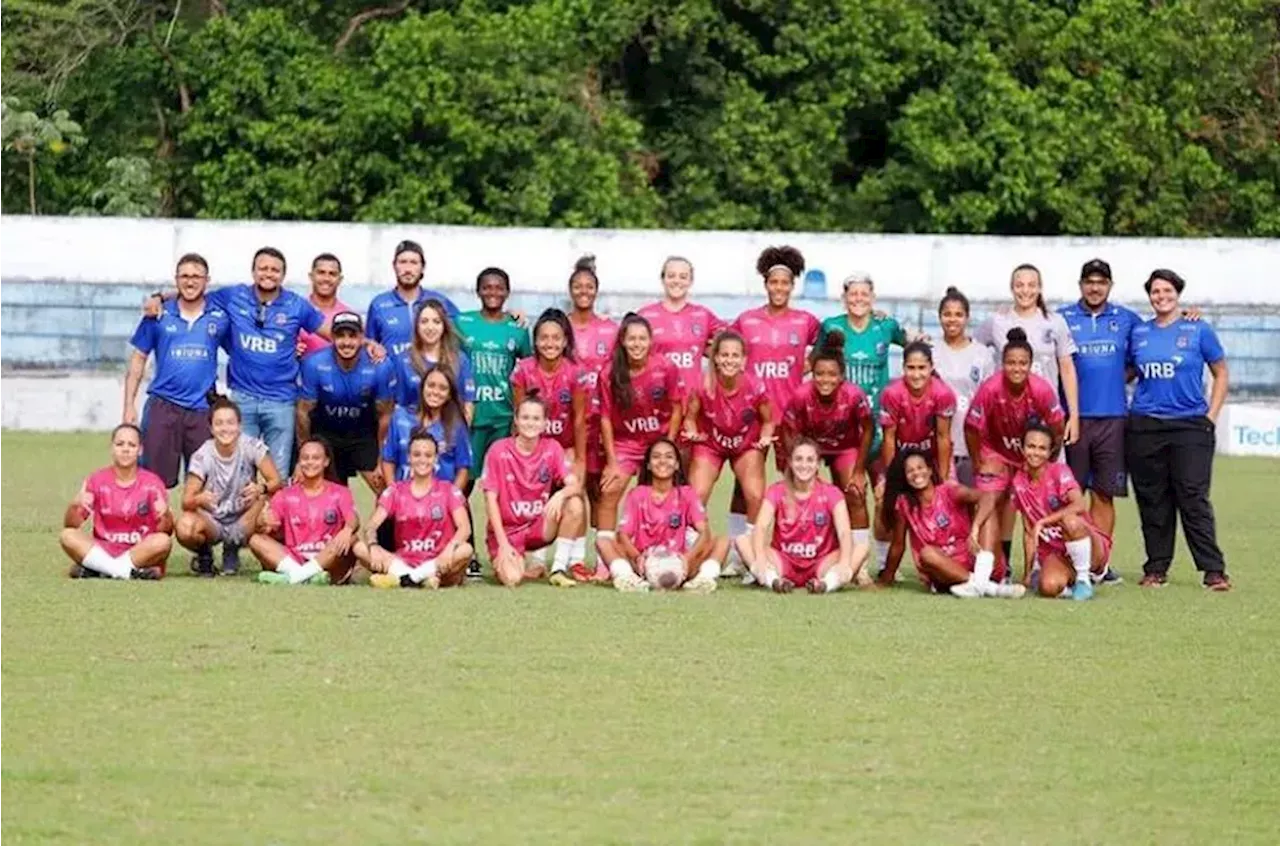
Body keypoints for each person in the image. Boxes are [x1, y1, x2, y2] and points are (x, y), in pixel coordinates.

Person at [1127, 269, 1231, 590]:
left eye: (1167, 291)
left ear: (1178, 293)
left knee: (1192, 496)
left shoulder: (1197, 329)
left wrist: (1210, 417)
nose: (1161, 297)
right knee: (1152, 499)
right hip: (1145, 425)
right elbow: (1128, 373)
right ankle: (1156, 568)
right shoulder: (1139, 333)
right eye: (1155, 292)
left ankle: (1213, 570)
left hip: (1190, 425)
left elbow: (1221, 373)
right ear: (1149, 296)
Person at [726, 245, 820, 550]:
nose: (779, 288)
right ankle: (739, 551)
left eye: (785, 283)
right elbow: (721, 349)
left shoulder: (805, 321)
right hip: (752, 416)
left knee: (795, 479)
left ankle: (793, 542)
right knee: (745, 484)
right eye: (773, 282)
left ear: (793, 286)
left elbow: (830, 344)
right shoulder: (746, 320)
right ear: (765, 284)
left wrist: (807, 367)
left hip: (790, 415)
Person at [964, 328, 1066, 577]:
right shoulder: (990, 389)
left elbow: (1057, 427)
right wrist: (979, 460)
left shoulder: (1041, 389)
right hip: (995, 452)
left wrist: (1049, 461)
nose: (1017, 368)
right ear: (1002, 364)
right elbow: (971, 427)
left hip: (1029, 455)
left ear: (1031, 365)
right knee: (990, 501)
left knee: (1035, 505)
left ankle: (1039, 565)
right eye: (1010, 363)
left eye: (1022, 363)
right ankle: (987, 572)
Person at [124, 253, 229, 489]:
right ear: (176, 279)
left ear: (206, 280)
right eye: (185, 276)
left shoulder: (220, 317)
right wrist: (129, 405)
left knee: (203, 483)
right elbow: (139, 358)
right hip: (163, 406)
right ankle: (154, 526)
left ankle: (194, 527)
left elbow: (241, 348)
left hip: (202, 410)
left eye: (196, 276)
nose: (190, 282)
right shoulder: (158, 315)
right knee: (152, 482)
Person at [880, 448, 1023, 598]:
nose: (916, 473)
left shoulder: (948, 491)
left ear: (929, 470)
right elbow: (898, 545)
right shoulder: (905, 505)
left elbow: (988, 497)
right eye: (910, 471)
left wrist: (975, 528)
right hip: (945, 571)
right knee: (926, 553)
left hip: (977, 560)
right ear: (905, 477)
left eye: (920, 468)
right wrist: (887, 578)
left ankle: (981, 581)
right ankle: (990, 588)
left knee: (988, 513)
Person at [781, 331, 874, 557]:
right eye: (819, 374)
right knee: (797, 493)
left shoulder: (854, 395)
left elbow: (868, 429)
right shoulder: (801, 395)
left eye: (832, 375)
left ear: (842, 376)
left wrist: (860, 471)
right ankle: (798, 550)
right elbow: (787, 430)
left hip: (844, 447)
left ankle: (857, 559)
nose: (825, 380)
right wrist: (795, 464)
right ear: (812, 375)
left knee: (855, 493)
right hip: (810, 447)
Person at [594, 314, 685, 543]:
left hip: (658, 441)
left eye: (642, 339)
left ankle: (662, 549)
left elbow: (676, 407)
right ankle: (606, 560)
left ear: (650, 341)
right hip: (626, 443)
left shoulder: (666, 367)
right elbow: (604, 418)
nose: (637, 344)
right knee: (609, 491)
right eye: (632, 339)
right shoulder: (608, 373)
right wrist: (613, 462)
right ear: (623, 341)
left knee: (660, 496)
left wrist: (669, 445)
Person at [482, 397, 589, 587]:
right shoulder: (498, 450)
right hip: (509, 532)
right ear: (515, 420)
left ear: (544, 423)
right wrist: (503, 545)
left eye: (536, 418)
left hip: (538, 526)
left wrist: (560, 494)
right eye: (525, 417)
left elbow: (575, 485)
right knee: (512, 579)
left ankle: (558, 568)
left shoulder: (552, 448)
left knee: (575, 504)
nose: (530, 423)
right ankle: (514, 559)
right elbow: (490, 501)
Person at [736, 438, 865, 594]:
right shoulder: (776, 491)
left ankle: (826, 584)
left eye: (810, 460)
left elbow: (844, 532)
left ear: (818, 464)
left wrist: (844, 562)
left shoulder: (832, 493)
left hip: (821, 562)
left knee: (862, 548)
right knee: (742, 541)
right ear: (790, 462)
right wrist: (761, 558)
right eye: (798, 459)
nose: (804, 465)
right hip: (783, 561)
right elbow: (761, 527)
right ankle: (774, 581)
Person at [600, 438, 726, 593]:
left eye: (669, 457)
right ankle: (627, 578)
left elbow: (704, 532)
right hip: (645, 564)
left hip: (679, 562)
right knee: (603, 542)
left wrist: (688, 558)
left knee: (723, 541)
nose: (662, 461)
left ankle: (704, 579)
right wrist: (638, 557)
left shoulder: (687, 494)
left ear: (677, 464)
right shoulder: (637, 494)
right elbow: (624, 534)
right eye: (656, 457)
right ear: (648, 465)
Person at [175, 398, 283, 576]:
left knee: (269, 512)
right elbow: (186, 501)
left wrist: (260, 488)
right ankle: (204, 554)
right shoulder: (202, 455)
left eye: (230, 423)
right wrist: (199, 499)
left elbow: (276, 482)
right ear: (211, 428)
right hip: (213, 519)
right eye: (219, 423)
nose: (225, 429)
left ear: (239, 425)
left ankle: (246, 552)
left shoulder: (252, 446)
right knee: (185, 528)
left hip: (245, 516)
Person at [1002, 425, 1109, 600]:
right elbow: (1029, 533)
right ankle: (1070, 586)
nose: (1035, 453)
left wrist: (1044, 522)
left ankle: (1084, 579)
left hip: (1086, 543)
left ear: (1050, 451)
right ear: (1022, 448)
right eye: (1031, 446)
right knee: (1048, 587)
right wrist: (1028, 573)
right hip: (1056, 552)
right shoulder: (1018, 482)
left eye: (1042, 448)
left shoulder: (1059, 471)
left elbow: (1079, 505)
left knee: (1070, 521)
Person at [357, 431, 473, 589]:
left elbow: (464, 528)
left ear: (435, 459)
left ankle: (407, 578)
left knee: (465, 549)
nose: (422, 460)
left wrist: (449, 549)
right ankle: (415, 577)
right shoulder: (396, 491)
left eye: (428, 455)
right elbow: (371, 526)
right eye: (417, 455)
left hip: (438, 561)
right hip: (403, 560)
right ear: (409, 458)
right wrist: (373, 545)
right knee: (359, 548)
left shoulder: (448, 490)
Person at [683, 331, 774, 534]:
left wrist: (765, 437)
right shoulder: (702, 385)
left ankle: (748, 550)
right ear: (715, 357)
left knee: (755, 495)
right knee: (697, 494)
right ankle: (691, 547)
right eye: (724, 355)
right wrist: (692, 433)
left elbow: (768, 421)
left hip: (745, 445)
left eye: (735, 356)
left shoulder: (756, 386)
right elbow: (689, 419)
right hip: (710, 444)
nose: (729, 361)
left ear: (743, 360)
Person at [296, 312, 397, 495]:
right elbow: (303, 412)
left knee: (386, 492)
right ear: (332, 337)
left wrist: (382, 460)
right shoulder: (313, 364)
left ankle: (380, 524)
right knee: (327, 496)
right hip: (327, 435)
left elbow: (385, 416)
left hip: (363, 435)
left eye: (352, 336)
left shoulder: (381, 366)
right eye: (340, 336)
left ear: (362, 338)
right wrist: (302, 455)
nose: (346, 342)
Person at [59, 423, 172, 580]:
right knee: (67, 536)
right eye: (120, 444)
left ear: (140, 450)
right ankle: (125, 572)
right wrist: (74, 506)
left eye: (131, 445)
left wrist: (165, 515)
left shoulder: (153, 483)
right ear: (112, 448)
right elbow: (72, 525)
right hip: (103, 549)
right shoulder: (96, 480)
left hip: (139, 551)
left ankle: (99, 569)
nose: (125, 449)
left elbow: (165, 531)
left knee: (163, 542)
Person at [566, 255, 618, 564]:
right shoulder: (560, 326)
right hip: (570, 419)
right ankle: (573, 558)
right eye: (577, 286)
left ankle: (602, 559)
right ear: (570, 290)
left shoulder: (611, 330)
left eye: (589, 286)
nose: (583, 291)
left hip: (602, 420)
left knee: (601, 490)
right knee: (575, 487)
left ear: (596, 291)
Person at [249, 437, 358, 586]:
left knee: (351, 538)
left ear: (326, 462)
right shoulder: (285, 495)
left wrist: (348, 529)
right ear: (299, 463)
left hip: (328, 560)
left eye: (316, 458)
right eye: (305, 458)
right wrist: (262, 521)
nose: (310, 462)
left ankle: (294, 577)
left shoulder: (340, 492)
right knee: (256, 540)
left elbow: (353, 518)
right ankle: (304, 576)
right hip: (295, 558)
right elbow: (268, 525)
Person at [456, 267, 533, 476]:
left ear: (507, 292)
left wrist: (521, 415)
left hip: (503, 417)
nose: (493, 293)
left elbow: (529, 370)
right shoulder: (461, 322)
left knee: (502, 481)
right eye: (487, 288)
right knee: (464, 480)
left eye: (499, 288)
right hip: (472, 416)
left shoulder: (518, 327)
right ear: (478, 291)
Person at [930, 287, 995, 485]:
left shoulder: (982, 354)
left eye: (958, 314)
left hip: (970, 444)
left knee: (969, 504)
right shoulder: (930, 350)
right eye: (947, 314)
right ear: (940, 317)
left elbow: (989, 402)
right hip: (936, 443)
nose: (952, 320)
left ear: (967, 318)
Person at [511, 309, 588, 474]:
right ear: (536, 342)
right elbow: (518, 417)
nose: (550, 343)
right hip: (532, 446)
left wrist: (580, 460)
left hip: (565, 448)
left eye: (556, 338)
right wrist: (518, 454)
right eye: (544, 338)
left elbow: (580, 419)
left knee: (573, 497)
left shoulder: (576, 372)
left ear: (565, 341)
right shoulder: (523, 370)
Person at [638, 256, 726, 392]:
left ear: (691, 281)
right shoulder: (645, 315)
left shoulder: (703, 315)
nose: (677, 281)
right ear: (663, 279)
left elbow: (730, 340)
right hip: (657, 396)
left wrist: (711, 350)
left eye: (683, 277)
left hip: (693, 399)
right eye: (671, 276)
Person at [366, 240, 460, 359]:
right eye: (403, 262)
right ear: (394, 266)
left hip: (431, 375)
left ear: (422, 267)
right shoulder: (378, 305)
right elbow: (369, 344)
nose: (408, 269)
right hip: (392, 376)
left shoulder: (440, 302)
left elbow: (458, 340)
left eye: (414, 262)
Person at [381, 366, 473, 490]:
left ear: (449, 395)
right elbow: (388, 459)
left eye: (443, 388)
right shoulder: (399, 418)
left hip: (440, 502)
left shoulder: (457, 425)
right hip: (404, 499)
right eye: (431, 385)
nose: (435, 392)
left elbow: (463, 468)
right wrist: (392, 494)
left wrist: (452, 500)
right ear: (422, 387)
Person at [391, 298, 476, 416]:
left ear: (444, 326)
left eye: (436, 321)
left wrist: (460, 432)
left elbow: (467, 404)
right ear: (417, 326)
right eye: (424, 321)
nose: (430, 328)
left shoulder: (460, 360)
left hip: (449, 429)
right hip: (413, 430)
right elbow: (398, 407)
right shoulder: (403, 359)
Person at [298, 253, 352, 358]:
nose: (326, 278)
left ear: (340, 279)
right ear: (311, 276)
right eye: (321, 273)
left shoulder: (348, 316)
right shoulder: (296, 310)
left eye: (332, 274)